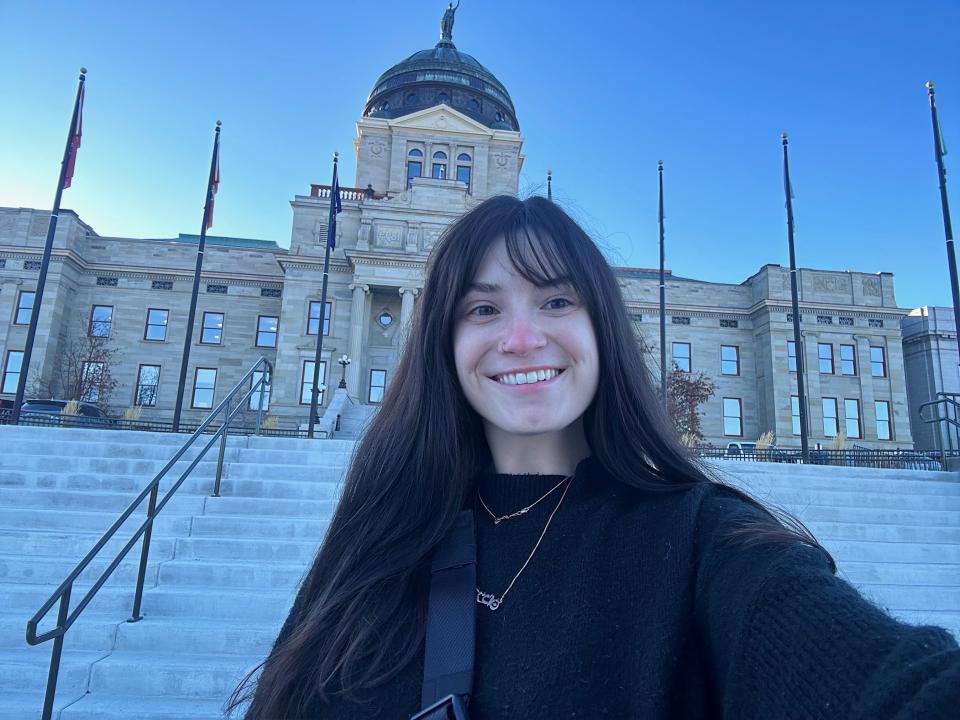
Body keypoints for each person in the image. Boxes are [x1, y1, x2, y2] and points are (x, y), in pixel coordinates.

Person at [232, 195, 960, 719]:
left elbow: (892, 684)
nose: (520, 338)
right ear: (440, 342)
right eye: (482, 308)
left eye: (555, 301)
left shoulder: (706, 545)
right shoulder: (382, 530)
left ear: (604, 327)